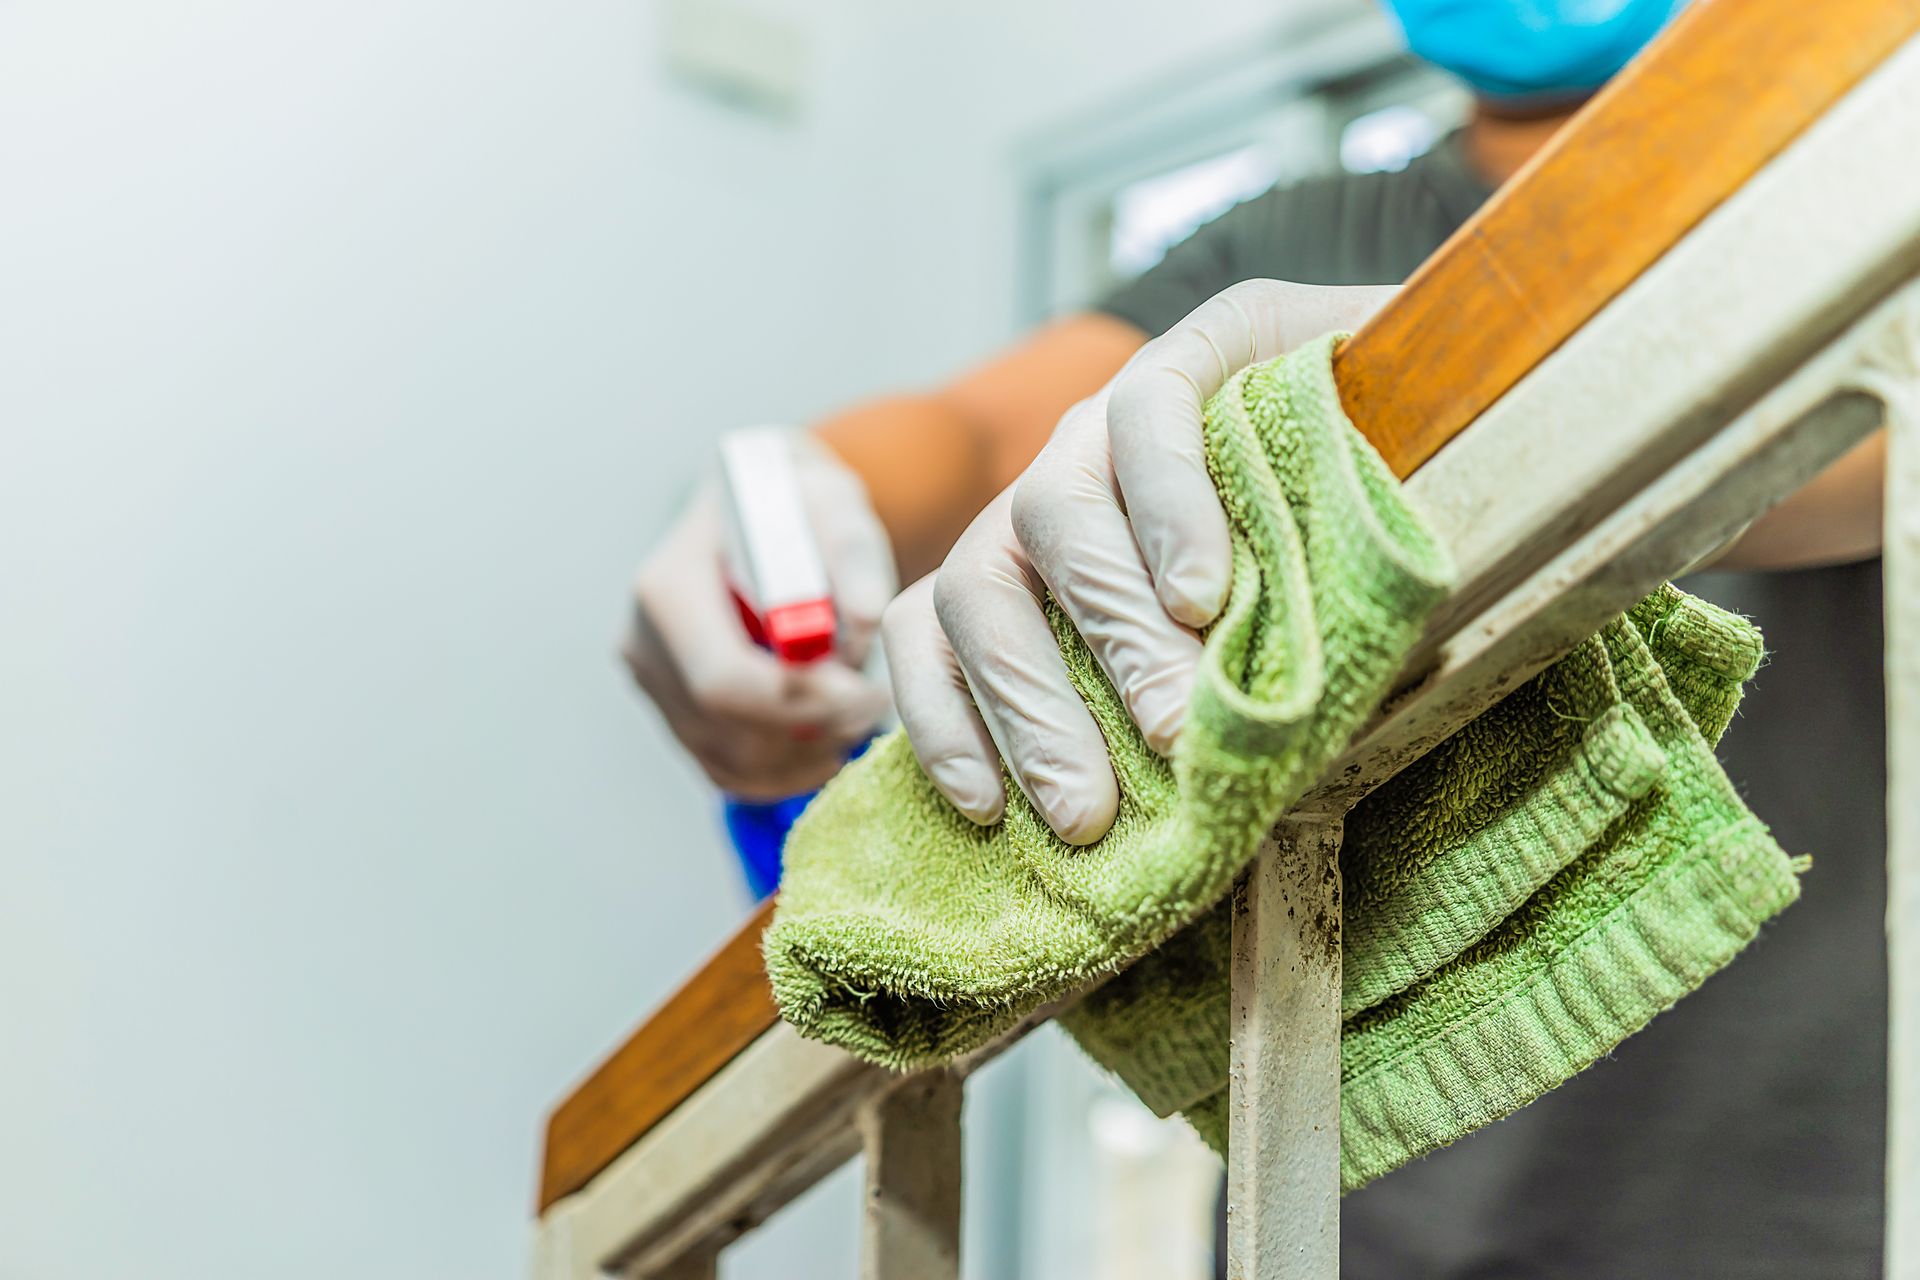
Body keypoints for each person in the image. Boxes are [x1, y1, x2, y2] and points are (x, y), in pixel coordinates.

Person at [623, 1, 1888, 1273]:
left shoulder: (1864, 148)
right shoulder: (1302, 229)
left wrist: (1464, 402)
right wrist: (794, 491)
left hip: (1820, 1202)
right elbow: (974, 438)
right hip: (1334, 1214)